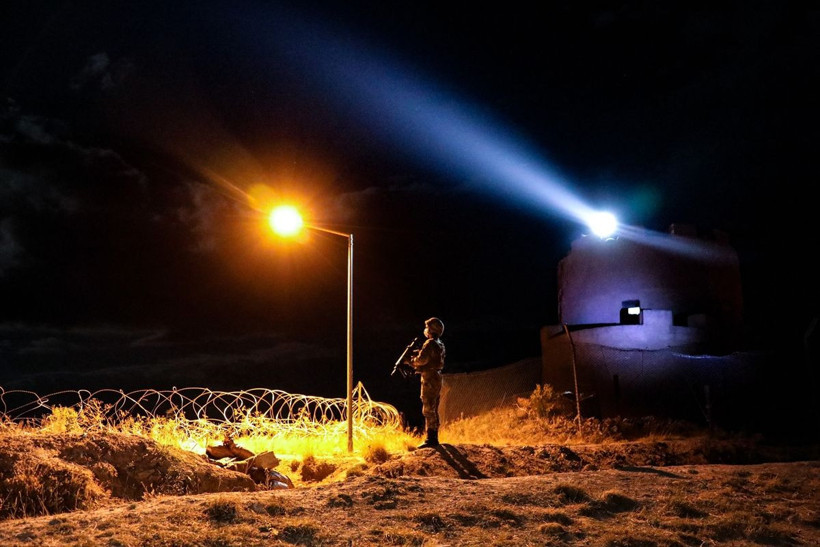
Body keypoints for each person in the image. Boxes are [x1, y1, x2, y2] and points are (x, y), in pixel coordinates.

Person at [411, 317, 446, 448]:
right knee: (433, 407)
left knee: (428, 408)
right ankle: (433, 436)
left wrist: (412, 361)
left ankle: (431, 440)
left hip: (429, 377)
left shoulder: (429, 343)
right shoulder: (440, 343)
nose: (426, 330)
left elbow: (422, 360)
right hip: (436, 376)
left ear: (432, 329)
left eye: (428, 327)